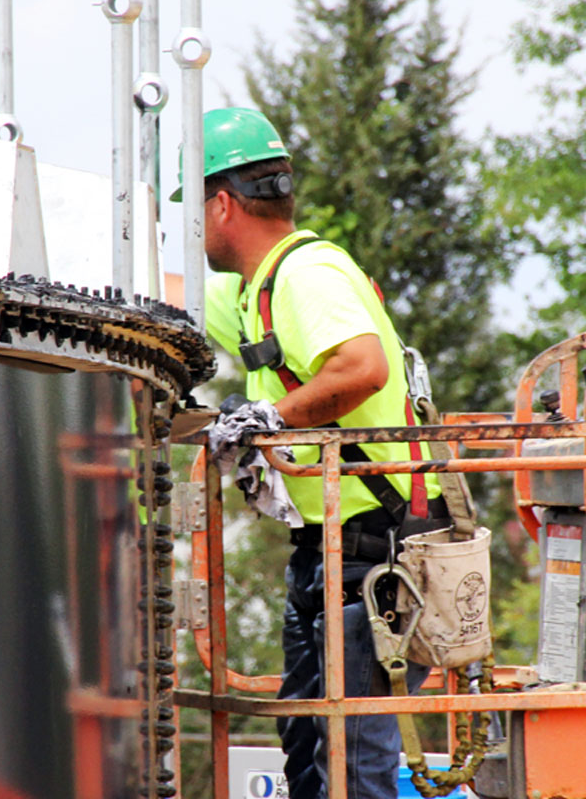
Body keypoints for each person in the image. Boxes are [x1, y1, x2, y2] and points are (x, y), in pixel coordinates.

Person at [172, 107, 449, 799]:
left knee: (353, 769)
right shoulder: (250, 289)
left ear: (223, 204)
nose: (187, 235)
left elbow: (363, 368)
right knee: (310, 755)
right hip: (329, 554)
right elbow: (161, 298)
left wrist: (270, 416)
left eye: (189, 214)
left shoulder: (308, 274)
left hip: (381, 559)